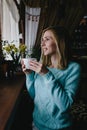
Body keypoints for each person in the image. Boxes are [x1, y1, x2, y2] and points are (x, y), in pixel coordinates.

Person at [21, 26, 81, 130]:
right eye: (42, 40)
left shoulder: (73, 68)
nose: (42, 44)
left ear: (59, 42)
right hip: (37, 124)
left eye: (47, 39)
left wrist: (47, 75)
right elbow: (35, 96)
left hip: (59, 127)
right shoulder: (42, 65)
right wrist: (29, 75)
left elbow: (65, 105)